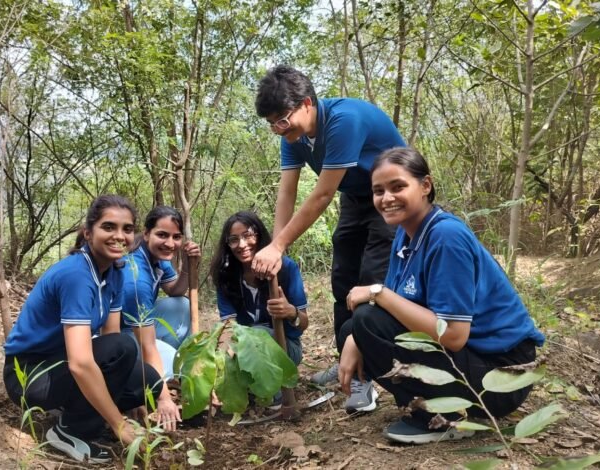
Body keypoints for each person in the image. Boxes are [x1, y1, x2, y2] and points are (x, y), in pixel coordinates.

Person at [338, 147, 545, 444]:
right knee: (354, 327)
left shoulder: (446, 236)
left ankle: (447, 418)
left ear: (425, 186)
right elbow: (396, 307)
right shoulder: (405, 234)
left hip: (503, 374)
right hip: (473, 360)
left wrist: (377, 293)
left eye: (398, 187)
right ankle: (429, 405)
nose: (387, 198)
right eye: (378, 191)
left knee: (367, 319)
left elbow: (453, 335)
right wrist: (355, 337)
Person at [251, 65, 405, 413]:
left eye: (283, 120)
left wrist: (278, 245)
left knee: (371, 280)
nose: (279, 129)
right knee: (343, 279)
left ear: (307, 103)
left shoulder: (343, 121)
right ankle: (347, 358)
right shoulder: (293, 139)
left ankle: (366, 378)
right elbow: (287, 192)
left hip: (390, 199)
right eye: (272, 124)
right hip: (356, 196)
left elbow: (321, 195)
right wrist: (277, 247)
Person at [3, 195, 161, 464]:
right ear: (88, 233)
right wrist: (119, 424)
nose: (119, 236)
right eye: (108, 227)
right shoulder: (76, 275)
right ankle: (70, 431)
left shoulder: (115, 272)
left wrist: (131, 397)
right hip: (30, 375)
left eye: (127, 229)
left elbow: (110, 337)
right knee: (123, 346)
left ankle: (79, 410)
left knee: (149, 382)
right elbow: (81, 363)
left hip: (61, 365)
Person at [120, 206, 200, 429]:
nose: (170, 243)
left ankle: (164, 372)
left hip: (139, 325)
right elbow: (147, 344)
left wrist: (188, 265)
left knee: (182, 306)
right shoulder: (136, 276)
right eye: (162, 235)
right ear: (146, 234)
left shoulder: (158, 257)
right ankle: (159, 384)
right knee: (174, 362)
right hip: (120, 334)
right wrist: (164, 398)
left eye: (176, 237)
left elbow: (175, 290)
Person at [210, 211, 309, 366]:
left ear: (259, 235)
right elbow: (229, 326)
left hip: (286, 347)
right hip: (243, 349)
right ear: (227, 244)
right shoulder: (226, 276)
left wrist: (290, 312)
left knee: (259, 335)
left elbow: (303, 324)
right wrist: (221, 357)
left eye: (248, 235)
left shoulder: (286, 268)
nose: (242, 244)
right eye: (234, 239)